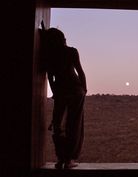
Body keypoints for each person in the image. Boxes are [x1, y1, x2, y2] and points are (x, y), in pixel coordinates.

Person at [43, 28, 87, 169]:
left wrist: (56, 92)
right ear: (63, 39)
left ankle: (61, 159)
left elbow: (50, 77)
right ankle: (68, 160)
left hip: (61, 92)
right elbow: (80, 71)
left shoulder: (49, 55)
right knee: (73, 125)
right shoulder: (71, 52)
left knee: (57, 125)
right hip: (76, 90)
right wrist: (84, 89)